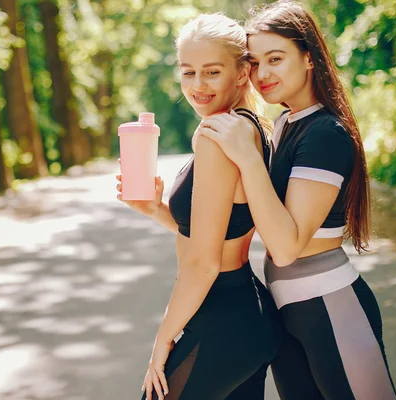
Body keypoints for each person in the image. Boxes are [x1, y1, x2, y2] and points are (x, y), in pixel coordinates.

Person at [197, 2, 396, 399]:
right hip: (289, 310)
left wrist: (249, 158)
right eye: (254, 63)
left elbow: (286, 246)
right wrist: (160, 211)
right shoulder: (287, 124)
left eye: (276, 58)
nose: (263, 74)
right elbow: (243, 223)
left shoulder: (325, 133)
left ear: (308, 58)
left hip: (331, 306)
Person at [116, 13, 282, 400]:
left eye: (211, 72)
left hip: (221, 320)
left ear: (242, 73)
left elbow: (204, 262)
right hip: (247, 312)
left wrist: (163, 340)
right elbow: (223, 231)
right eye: (188, 72)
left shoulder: (215, 136)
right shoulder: (248, 126)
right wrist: (157, 210)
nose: (197, 85)